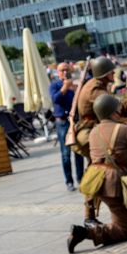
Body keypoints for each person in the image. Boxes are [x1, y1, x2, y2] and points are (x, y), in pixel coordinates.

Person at [67, 93, 127, 253]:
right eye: (118, 107)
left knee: (123, 218)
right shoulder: (124, 130)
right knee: (124, 231)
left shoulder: (94, 131)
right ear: (114, 112)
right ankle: (84, 233)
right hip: (115, 185)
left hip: (98, 182)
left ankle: (93, 230)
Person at [75, 56, 127, 225]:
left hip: (94, 130)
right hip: (89, 134)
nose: (114, 74)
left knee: (102, 171)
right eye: (111, 72)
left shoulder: (97, 85)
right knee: (97, 173)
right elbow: (117, 106)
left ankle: (120, 205)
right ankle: (90, 217)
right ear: (105, 74)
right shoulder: (95, 90)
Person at [50, 62, 84, 191]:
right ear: (57, 72)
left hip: (75, 121)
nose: (65, 72)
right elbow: (55, 99)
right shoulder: (55, 86)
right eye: (62, 70)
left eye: (67, 70)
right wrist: (65, 86)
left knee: (79, 152)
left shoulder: (74, 86)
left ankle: (80, 178)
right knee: (66, 154)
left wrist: (75, 89)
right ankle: (69, 181)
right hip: (63, 122)